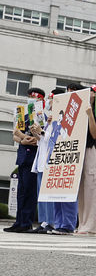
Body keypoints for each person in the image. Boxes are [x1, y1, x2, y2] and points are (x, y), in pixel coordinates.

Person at [5, 88, 44, 233]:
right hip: (22, 156)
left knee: (29, 191)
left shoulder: (41, 117)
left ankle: (26, 222)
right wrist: (22, 140)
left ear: (41, 100)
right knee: (21, 191)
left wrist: (27, 139)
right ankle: (19, 221)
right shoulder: (24, 116)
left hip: (33, 158)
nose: (31, 100)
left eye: (35, 98)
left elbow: (40, 138)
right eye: (29, 97)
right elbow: (15, 135)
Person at [49, 83, 86, 235]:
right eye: (68, 90)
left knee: (69, 191)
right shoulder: (61, 108)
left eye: (73, 91)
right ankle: (59, 223)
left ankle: (68, 224)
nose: (70, 93)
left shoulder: (83, 107)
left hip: (73, 151)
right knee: (57, 189)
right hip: (59, 151)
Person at [30, 89, 61, 234]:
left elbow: (55, 139)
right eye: (49, 99)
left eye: (51, 99)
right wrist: (36, 132)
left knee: (48, 194)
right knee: (41, 194)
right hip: (41, 160)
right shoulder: (47, 119)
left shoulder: (60, 118)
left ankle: (51, 222)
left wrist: (42, 132)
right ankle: (43, 221)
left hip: (50, 162)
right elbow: (41, 141)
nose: (49, 102)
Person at [76, 85, 96, 235]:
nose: (89, 94)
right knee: (82, 190)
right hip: (81, 150)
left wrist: (89, 115)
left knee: (93, 188)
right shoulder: (81, 109)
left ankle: (91, 226)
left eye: (92, 91)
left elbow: (95, 134)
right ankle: (82, 224)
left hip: (95, 150)